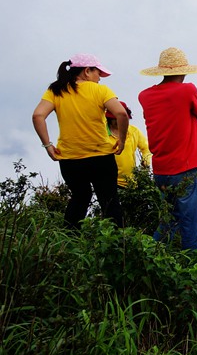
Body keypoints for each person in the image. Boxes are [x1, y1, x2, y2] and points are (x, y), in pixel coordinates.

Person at [31, 54, 128, 229]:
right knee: (109, 201)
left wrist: (48, 145)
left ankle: (69, 241)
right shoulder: (100, 90)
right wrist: (121, 140)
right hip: (101, 156)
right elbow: (121, 113)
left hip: (70, 159)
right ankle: (117, 243)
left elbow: (38, 115)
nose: (99, 78)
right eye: (98, 73)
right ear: (87, 71)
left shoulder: (56, 90)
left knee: (79, 198)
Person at [137, 47, 197, 249]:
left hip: (160, 169)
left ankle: (151, 254)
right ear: (184, 71)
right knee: (191, 222)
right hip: (184, 167)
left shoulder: (145, 96)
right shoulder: (188, 90)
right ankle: (192, 262)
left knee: (169, 219)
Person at [105, 101, 151, 187]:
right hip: (110, 182)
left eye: (122, 119)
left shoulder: (133, 131)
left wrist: (145, 161)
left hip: (131, 182)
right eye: (115, 119)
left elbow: (146, 148)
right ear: (109, 119)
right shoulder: (101, 133)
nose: (118, 122)